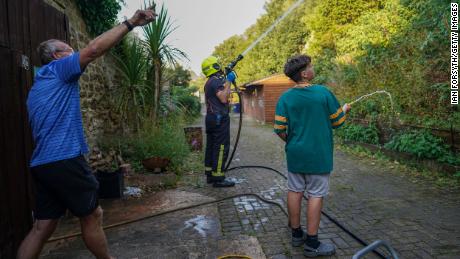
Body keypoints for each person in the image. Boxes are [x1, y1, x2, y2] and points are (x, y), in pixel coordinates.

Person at [18, 8, 157, 259]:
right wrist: (132, 22)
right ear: (57, 55)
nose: (73, 50)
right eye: (68, 48)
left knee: (43, 226)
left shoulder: (38, 86)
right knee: (93, 215)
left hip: (43, 164)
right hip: (64, 159)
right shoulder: (59, 69)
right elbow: (93, 50)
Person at [274, 54, 351, 257]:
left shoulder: (285, 98)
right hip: (319, 155)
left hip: (295, 154)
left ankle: (296, 234)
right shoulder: (323, 93)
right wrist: (344, 110)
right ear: (305, 73)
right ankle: (312, 243)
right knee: (315, 195)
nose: (313, 68)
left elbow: (280, 128)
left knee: (294, 190)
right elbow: (338, 122)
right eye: (311, 66)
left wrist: (291, 142)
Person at [201, 56, 237, 187]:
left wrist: (226, 80)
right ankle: (218, 178)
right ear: (214, 66)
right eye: (217, 64)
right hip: (219, 119)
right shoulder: (216, 81)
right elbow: (223, 98)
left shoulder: (210, 82)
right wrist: (229, 80)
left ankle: (210, 175)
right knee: (221, 147)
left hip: (211, 118)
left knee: (211, 146)